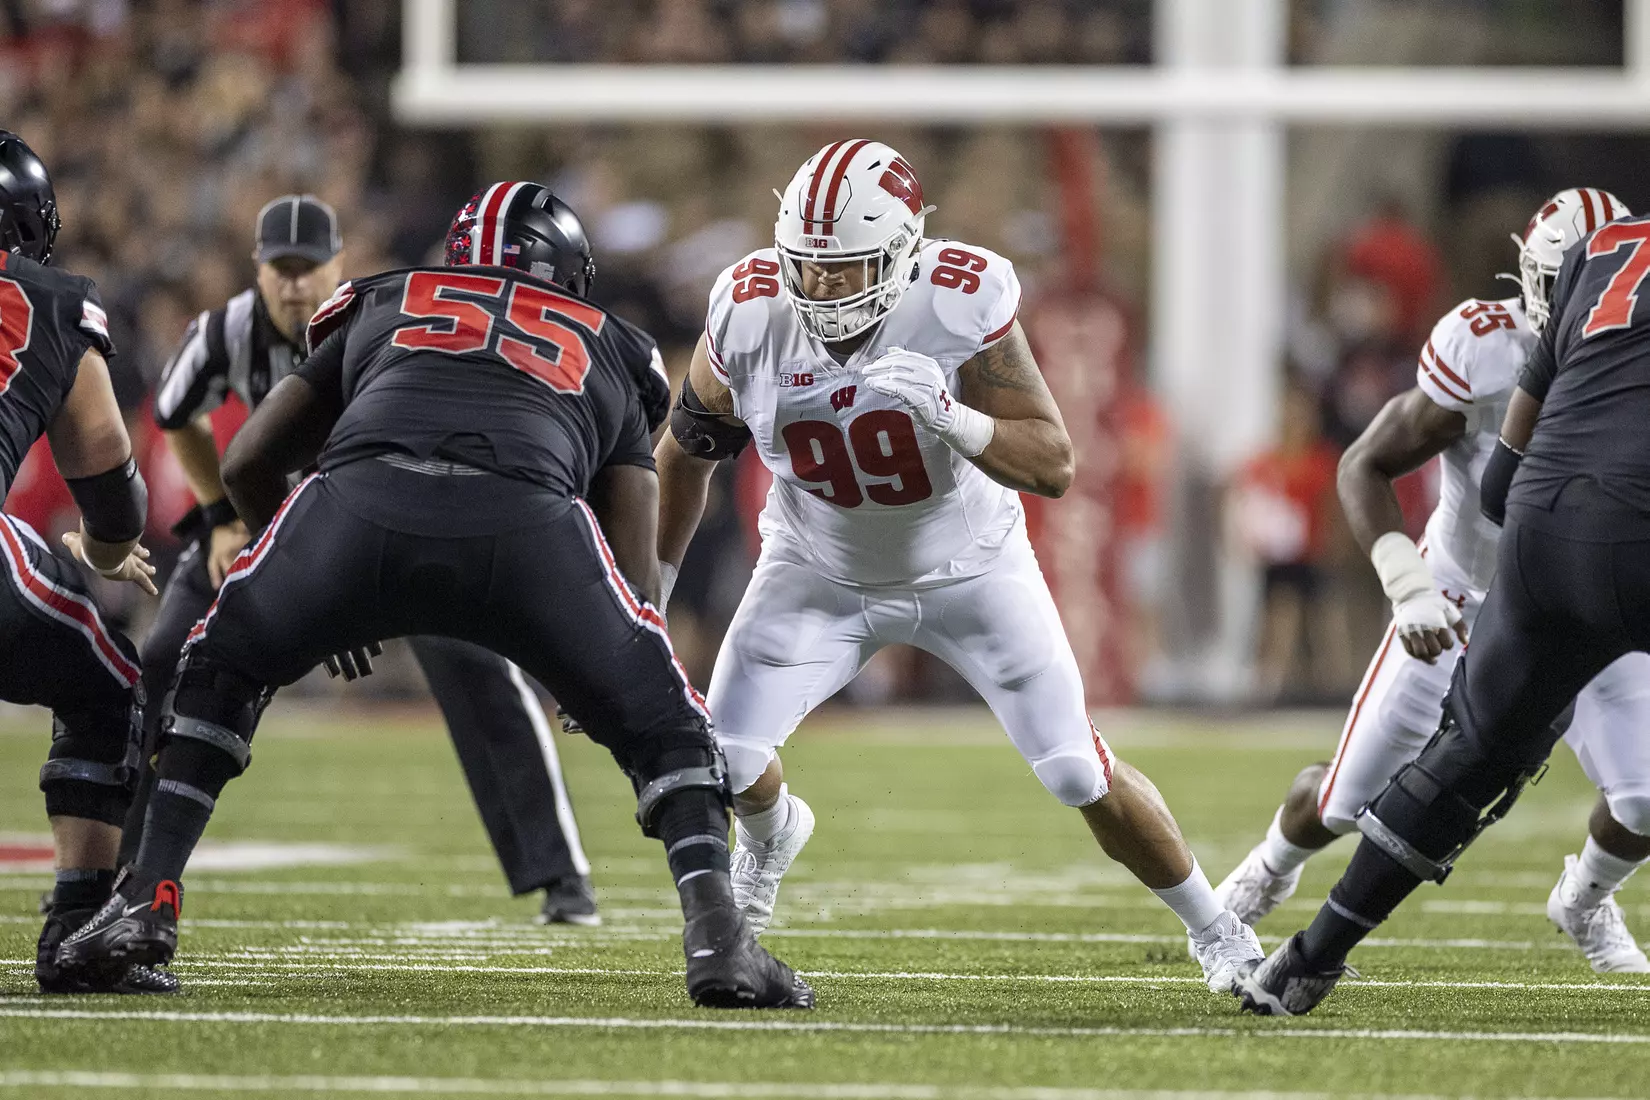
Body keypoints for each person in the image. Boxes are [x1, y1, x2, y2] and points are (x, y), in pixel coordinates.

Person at [56, 182, 812, 1009]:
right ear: (568, 272)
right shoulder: (613, 342)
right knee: (670, 728)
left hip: (355, 510)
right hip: (525, 527)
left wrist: (303, 581)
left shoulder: (386, 298)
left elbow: (246, 462)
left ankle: (147, 898)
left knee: (217, 668)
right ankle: (717, 936)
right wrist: (605, 667)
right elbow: (635, 562)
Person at [653, 139, 1262, 993]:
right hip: (816, 569)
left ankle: (1218, 929)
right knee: (726, 758)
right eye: (808, 267)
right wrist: (652, 600)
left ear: (903, 254)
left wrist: (953, 417)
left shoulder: (959, 299)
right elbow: (686, 451)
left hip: (970, 569)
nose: (823, 288)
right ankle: (772, 835)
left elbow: (1054, 462)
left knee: (1075, 769)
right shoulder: (748, 308)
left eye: (848, 267)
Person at [1219, 189, 1650, 976]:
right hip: (1463, 597)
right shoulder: (1486, 348)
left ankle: (1584, 900)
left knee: (1646, 797)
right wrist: (1409, 584)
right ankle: (1267, 868)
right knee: (1347, 804)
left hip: (1582, 600)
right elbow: (1365, 463)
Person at [134, 195, 597, 924]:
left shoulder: (382, 312)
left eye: (307, 269)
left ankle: (559, 874)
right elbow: (174, 415)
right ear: (256, 272)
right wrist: (222, 520)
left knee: (473, 662)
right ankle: (118, 867)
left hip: (383, 523)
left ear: (339, 266)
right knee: (164, 658)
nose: (293, 286)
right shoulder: (224, 332)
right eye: (279, 270)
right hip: (268, 525)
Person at [0, 130, 172, 994]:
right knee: (108, 679)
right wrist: (106, 547)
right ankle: (77, 928)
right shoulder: (52, 302)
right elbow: (109, 482)